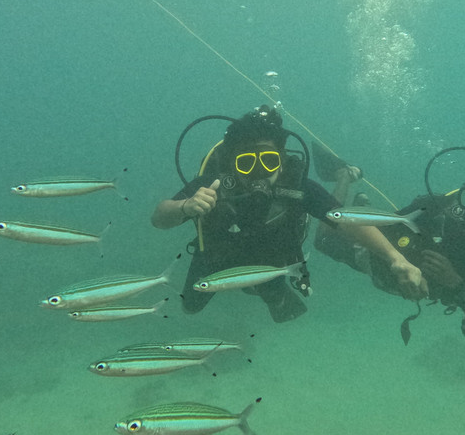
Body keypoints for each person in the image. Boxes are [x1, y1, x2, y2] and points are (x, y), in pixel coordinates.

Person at [152, 105, 425, 322]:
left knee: (283, 309)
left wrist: (395, 258)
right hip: (217, 254)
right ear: (233, 165)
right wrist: (184, 207)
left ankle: (342, 178)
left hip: (272, 258)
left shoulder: (297, 185)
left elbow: (345, 219)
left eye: (269, 161)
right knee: (190, 306)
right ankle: (256, 284)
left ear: (282, 162)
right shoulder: (213, 184)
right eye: (246, 163)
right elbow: (159, 218)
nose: (259, 172)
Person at [314, 146, 465, 342]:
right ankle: (343, 176)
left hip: (444, 287)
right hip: (384, 263)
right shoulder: (441, 208)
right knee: (324, 239)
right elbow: (346, 221)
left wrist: (457, 286)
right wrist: (397, 261)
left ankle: (363, 205)